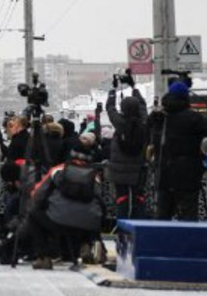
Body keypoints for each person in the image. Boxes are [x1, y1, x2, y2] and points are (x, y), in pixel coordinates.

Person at [150, 81, 207, 221]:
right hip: (188, 176)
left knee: (162, 217)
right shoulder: (193, 118)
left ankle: (161, 242)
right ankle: (188, 242)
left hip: (164, 175)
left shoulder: (159, 117)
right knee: (188, 217)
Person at [23, 136, 104, 270]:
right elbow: (99, 200)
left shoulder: (58, 170)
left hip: (59, 221)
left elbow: (38, 195)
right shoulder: (94, 176)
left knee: (34, 215)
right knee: (88, 214)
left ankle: (44, 257)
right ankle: (87, 244)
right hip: (88, 225)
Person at [105, 82, 148, 220]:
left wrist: (112, 92)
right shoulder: (143, 122)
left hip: (119, 169)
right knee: (139, 198)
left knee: (122, 198)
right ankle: (139, 227)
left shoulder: (120, 123)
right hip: (138, 167)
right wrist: (135, 88)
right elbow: (142, 106)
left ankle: (123, 229)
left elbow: (110, 108)